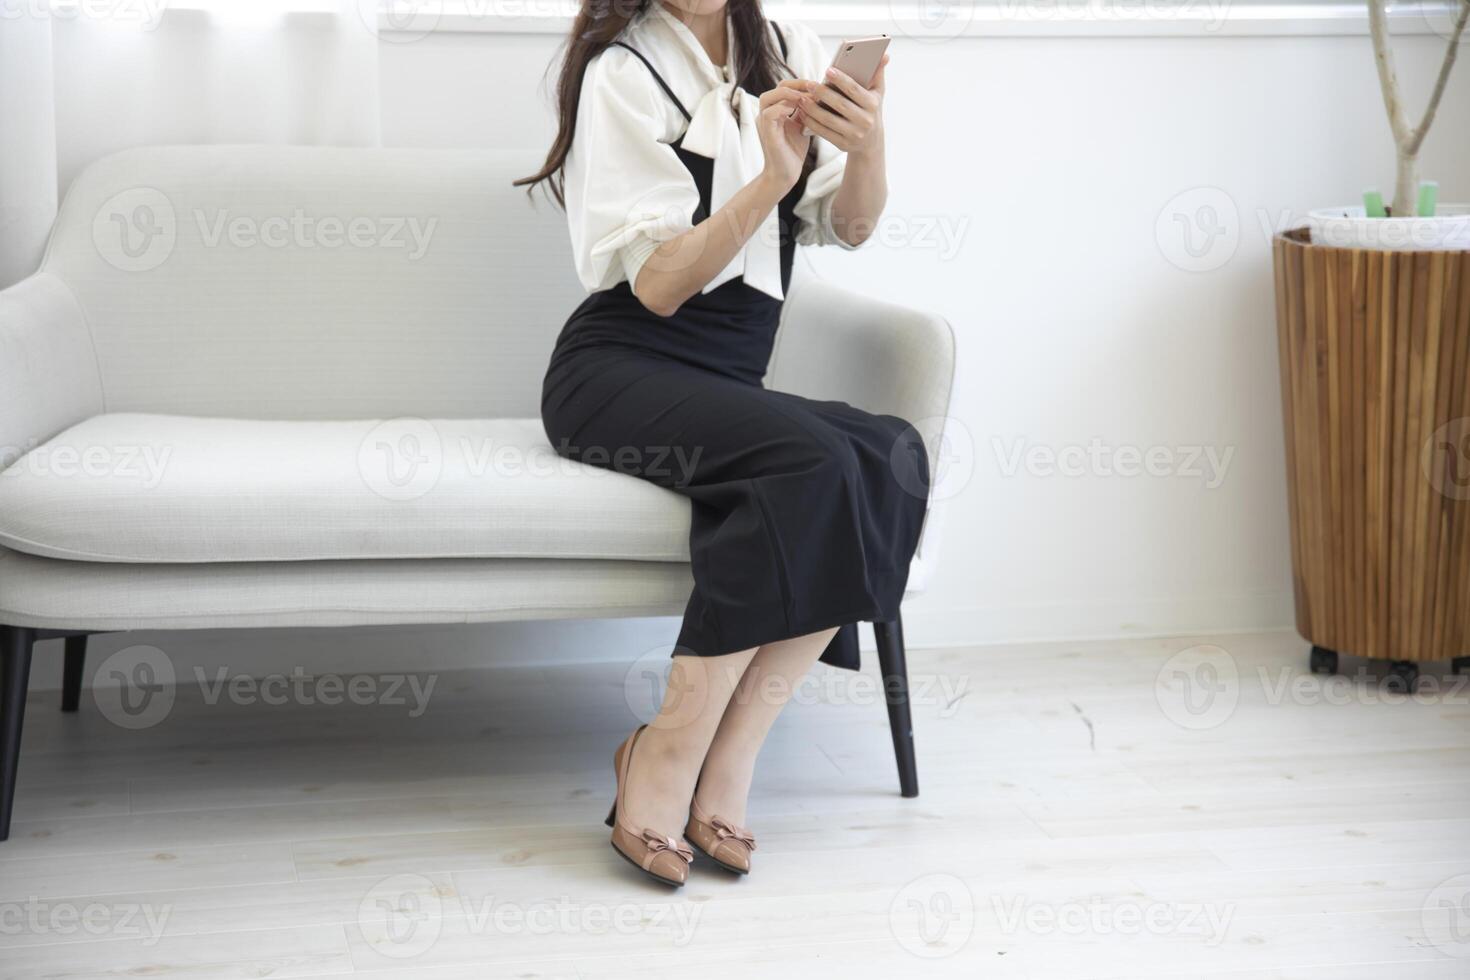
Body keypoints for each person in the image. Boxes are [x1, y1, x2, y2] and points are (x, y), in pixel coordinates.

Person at [518, 0, 930, 885]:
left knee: (885, 452)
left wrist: (870, 143)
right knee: (812, 459)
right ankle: (666, 749)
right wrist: (765, 184)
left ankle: (733, 754)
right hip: (615, 373)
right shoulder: (622, 74)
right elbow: (660, 288)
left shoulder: (789, 50)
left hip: (720, 384)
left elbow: (851, 229)